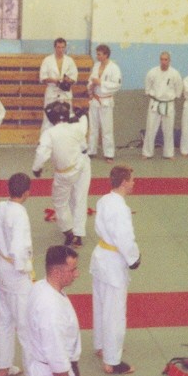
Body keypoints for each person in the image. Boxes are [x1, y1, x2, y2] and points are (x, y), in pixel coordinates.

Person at [0, 172, 35, 376]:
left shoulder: (1, 207)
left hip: (0, 267)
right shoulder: (20, 214)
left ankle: (4, 366)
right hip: (16, 275)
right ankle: (33, 375)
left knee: (3, 320)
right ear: (27, 193)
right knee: (26, 326)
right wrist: (23, 269)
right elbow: (19, 248)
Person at [91, 165, 141, 375]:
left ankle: (101, 345)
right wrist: (134, 258)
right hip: (112, 263)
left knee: (101, 305)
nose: (134, 183)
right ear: (123, 183)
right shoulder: (120, 208)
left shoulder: (104, 200)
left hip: (100, 257)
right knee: (115, 314)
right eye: (132, 180)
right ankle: (112, 361)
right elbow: (124, 238)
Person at [23, 245, 83, 376]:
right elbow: (57, 359)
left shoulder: (41, 286)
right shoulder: (50, 309)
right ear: (57, 272)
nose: (77, 274)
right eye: (72, 270)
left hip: (43, 374)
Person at [33, 101, 93, 247]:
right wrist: (82, 115)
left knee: (60, 203)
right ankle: (78, 234)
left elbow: (41, 154)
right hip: (82, 166)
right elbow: (84, 123)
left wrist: (37, 168)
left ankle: (70, 232)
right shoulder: (76, 127)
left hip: (65, 173)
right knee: (80, 199)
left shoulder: (49, 134)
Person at [142, 51, 183, 159]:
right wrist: (153, 96)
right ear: (159, 60)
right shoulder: (152, 72)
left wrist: (172, 98)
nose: (163, 62)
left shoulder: (175, 73)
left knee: (168, 129)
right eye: (162, 59)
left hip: (169, 103)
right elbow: (147, 88)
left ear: (169, 61)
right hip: (155, 102)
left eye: (166, 59)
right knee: (150, 128)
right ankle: (147, 152)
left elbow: (179, 89)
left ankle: (169, 153)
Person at [86, 44, 122, 162]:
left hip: (106, 100)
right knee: (93, 127)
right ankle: (91, 151)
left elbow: (117, 85)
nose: (97, 56)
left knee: (107, 129)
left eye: (99, 54)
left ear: (106, 55)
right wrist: (90, 86)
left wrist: (101, 82)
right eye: (97, 54)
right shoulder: (96, 65)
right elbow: (91, 79)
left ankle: (109, 154)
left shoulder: (114, 68)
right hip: (95, 99)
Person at [39, 37, 78, 133]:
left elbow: (74, 78)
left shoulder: (70, 61)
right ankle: (46, 141)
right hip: (52, 92)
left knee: (66, 118)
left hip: (65, 93)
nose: (60, 50)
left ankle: (64, 141)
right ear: (55, 47)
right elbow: (42, 77)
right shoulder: (47, 60)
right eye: (58, 47)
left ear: (65, 48)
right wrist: (54, 81)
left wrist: (68, 80)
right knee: (48, 119)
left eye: (63, 47)